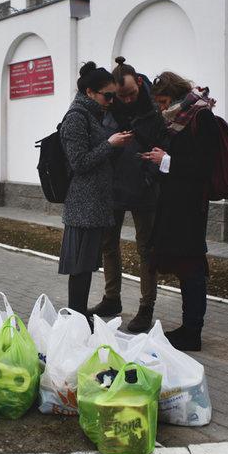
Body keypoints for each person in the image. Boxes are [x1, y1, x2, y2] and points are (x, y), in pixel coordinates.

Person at [140, 71, 219, 351]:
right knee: (185, 268)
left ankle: (193, 331)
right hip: (177, 204)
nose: (161, 108)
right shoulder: (179, 120)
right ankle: (188, 328)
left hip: (191, 207)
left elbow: (204, 166)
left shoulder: (201, 117)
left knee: (193, 268)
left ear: (175, 96)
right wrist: (161, 159)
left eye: (163, 102)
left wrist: (167, 161)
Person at [89, 57, 167, 333]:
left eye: (131, 93)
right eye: (121, 96)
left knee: (146, 249)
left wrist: (148, 177)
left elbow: (164, 146)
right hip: (113, 187)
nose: (127, 99)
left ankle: (146, 308)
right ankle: (112, 299)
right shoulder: (108, 106)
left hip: (145, 189)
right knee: (108, 245)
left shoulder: (155, 108)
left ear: (140, 82)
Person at [59, 61, 132, 317]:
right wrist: (110, 144)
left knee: (86, 265)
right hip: (83, 205)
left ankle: (78, 317)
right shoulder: (76, 117)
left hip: (93, 203)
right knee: (80, 267)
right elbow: (79, 162)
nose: (111, 101)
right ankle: (77, 317)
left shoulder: (92, 114)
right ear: (90, 92)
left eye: (113, 96)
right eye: (107, 96)